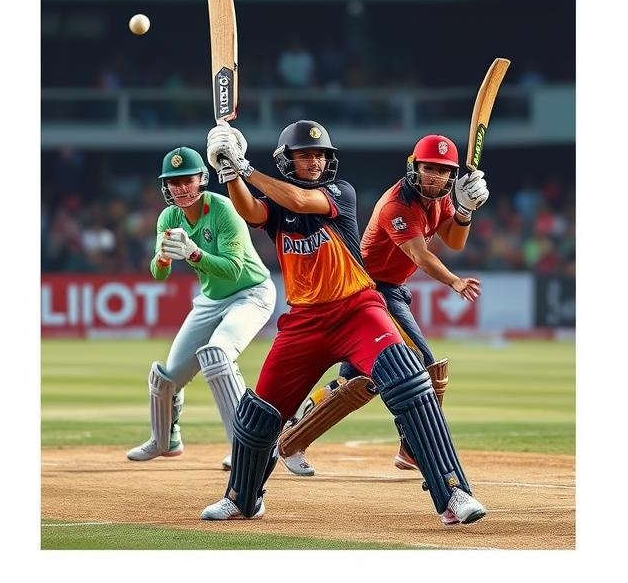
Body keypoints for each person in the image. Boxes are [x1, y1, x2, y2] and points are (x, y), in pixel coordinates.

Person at [199, 121, 486, 526]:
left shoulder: (340, 193)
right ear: (288, 160)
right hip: (304, 322)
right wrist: (228, 172)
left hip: (357, 309)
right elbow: (251, 210)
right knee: (259, 412)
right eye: (305, 155)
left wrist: (244, 167)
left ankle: (453, 493)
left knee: (409, 381)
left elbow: (300, 200)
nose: (315, 161)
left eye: (320, 155)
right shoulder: (278, 202)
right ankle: (243, 500)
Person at [276, 135, 490, 476]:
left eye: (443, 171)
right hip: (371, 291)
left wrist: (463, 211)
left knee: (359, 383)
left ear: (452, 177)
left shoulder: (441, 200)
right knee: (425, 365)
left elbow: (455, 240)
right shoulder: (397, 205)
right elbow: (420, 256)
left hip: (391, 290)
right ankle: (415, 448)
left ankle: (290, 440)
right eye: (429, 168)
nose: (435, 177)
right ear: (414, 167)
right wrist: (454, 281)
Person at [126, 146, 276, 470]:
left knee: (217, 355)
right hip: (211, 300)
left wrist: (193, 254)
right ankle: (165, 439)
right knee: (167, 378)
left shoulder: (224, 210)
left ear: (201, 179)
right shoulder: (168, 217)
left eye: (186, 180)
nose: (180, 188)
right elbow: (159, 274)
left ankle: (245, 447)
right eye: (173, 182)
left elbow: (234, 269)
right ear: (165, 186)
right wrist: (162, 258)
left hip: (251, 294)